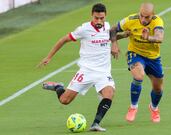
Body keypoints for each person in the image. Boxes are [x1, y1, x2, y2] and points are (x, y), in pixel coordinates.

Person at [38, 3, 125, 132]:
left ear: (105, 16)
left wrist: (120, 39)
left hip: (103, 72)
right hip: (86, 71)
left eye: (101, 18)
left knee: (109, 93)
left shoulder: (107, 27)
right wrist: (49, 57)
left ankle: (95, 124)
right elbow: (63, 40)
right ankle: (58, 87)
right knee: (64, 100)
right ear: (92, 15)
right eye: (96, 18)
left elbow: (112, 35)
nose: (99, 21)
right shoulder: (83, 29)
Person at [110, 2, 165, 123]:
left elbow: (160, 38)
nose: (144, 19)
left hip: (153, 57)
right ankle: (133, 107)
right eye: (142, 16)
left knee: (158, 89)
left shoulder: (158, 21)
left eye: (147, 17)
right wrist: (114, 43)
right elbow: (112, 29)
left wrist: (148, 38)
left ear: (153, 15)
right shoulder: (129, 20)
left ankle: (154, 108)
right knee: (138, 76)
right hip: (135, 53)